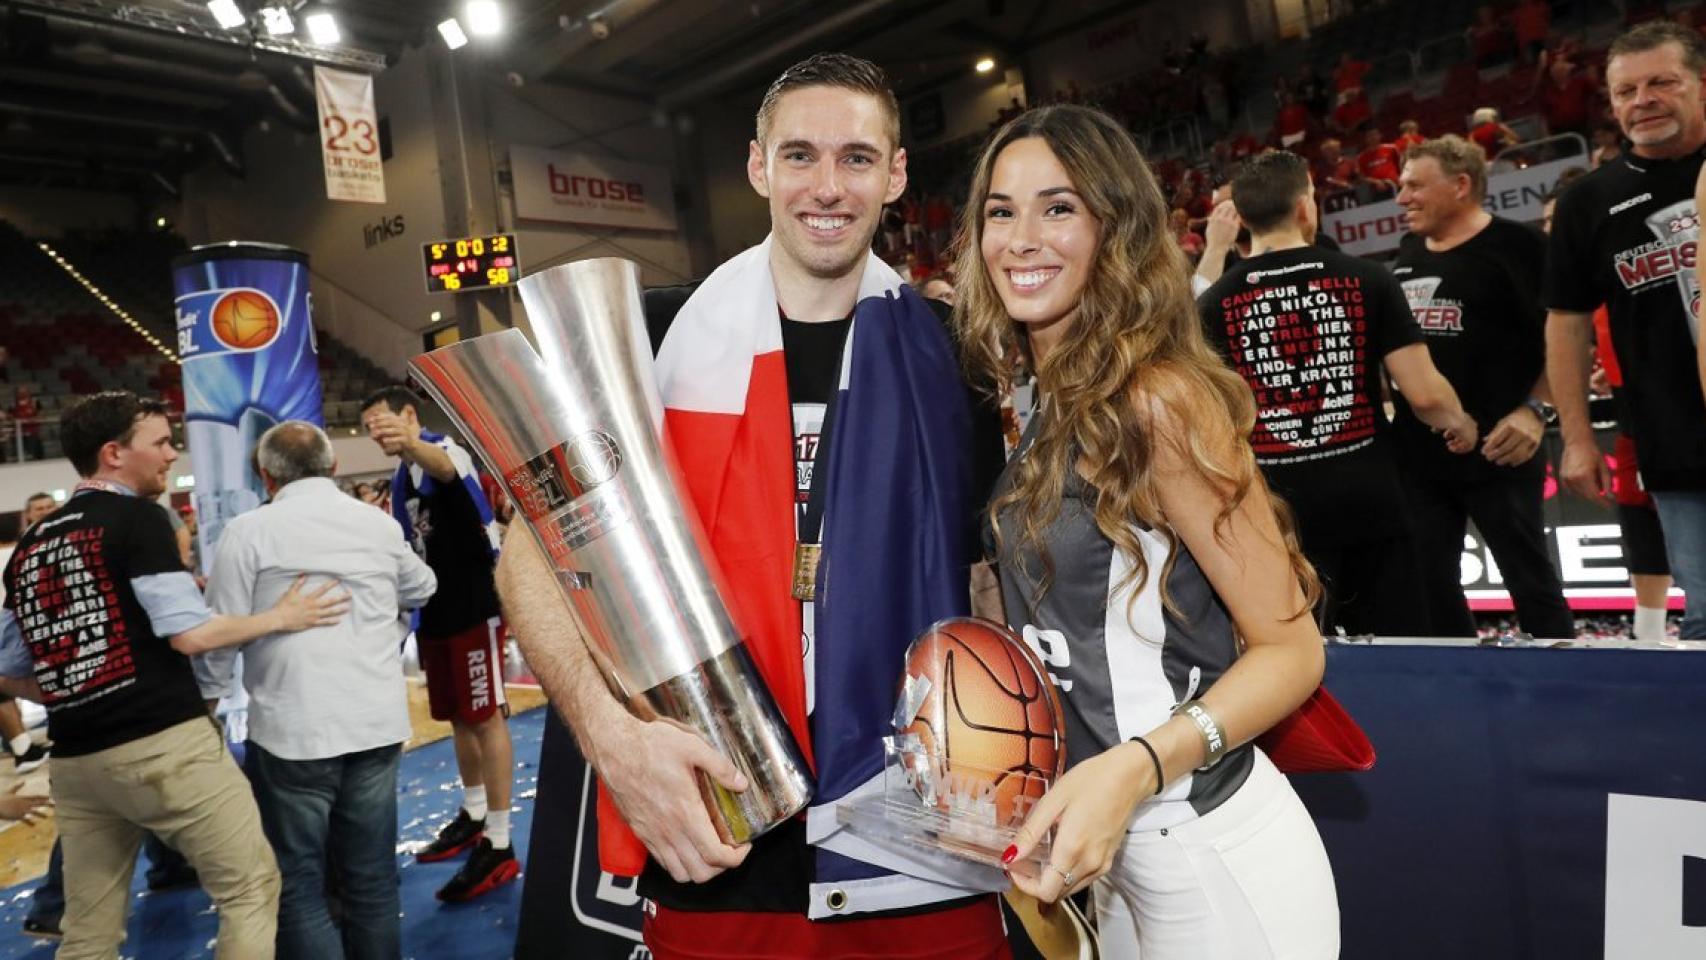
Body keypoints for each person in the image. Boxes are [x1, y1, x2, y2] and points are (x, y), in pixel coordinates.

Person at [494, 52, 1010, 959]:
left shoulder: (955, 355)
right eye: (800, 154)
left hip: (924, 844)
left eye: (857, 158)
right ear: (757, 166)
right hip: (720, 832)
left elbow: (984, 580)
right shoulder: (653, 336)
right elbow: (528, 557)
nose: (827, 186)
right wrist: (612, 742)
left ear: (895, 175)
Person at [959, 103, 1339, 958]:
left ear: (1115, 228)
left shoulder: (1158, 400)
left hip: (1212, 851)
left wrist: (1137, 765)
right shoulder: (1040, 400)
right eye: (1000, 210)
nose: (1022, 237)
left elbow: (1291, 651)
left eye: (1058, 208)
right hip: (1116, 860)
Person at [0, 390, 347, 959]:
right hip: (163, 746)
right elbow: (189, 634)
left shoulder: (30, 547)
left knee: (87, 930)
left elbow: (12, 670)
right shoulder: (139, 519)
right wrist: (283, 616)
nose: (171, 455)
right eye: (160, 442)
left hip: (77, 761)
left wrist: (76, 684)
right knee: (250, 888)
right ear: (114, 453)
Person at [1202, 151, 1477, 637]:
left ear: (1241, 219)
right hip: (1370, 500)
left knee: (1300, 664)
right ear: (1306, 207)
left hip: (1274, 514)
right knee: (1399, 648)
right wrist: (1460, 422)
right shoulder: (1367, 278)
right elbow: (1425, 395)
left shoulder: (1214, 302)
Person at [196, 421, 437, 959]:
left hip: (293, 730)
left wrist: (207, 706)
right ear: (332, 468)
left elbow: (219, 633)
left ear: (265, 476)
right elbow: (423, 586)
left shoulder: (249, 532)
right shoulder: (375, 526)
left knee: (299, 886)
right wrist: (384, 617)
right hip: (373, 723)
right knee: (372, 881)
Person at [1547, 22, 1706, 639]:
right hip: (1672, 444)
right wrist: (1579, 438)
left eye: (1662, 82)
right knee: (1703, 623)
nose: (1642, 100)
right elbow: (1565, 327)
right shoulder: (1590, 200)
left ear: (1699, 85)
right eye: (1625, 90)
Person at [1392, 137, 1574, 639]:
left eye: (1414, 186)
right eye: (1401, 186)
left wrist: (1536, 410)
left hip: (1502, 451)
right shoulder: (1407, 255)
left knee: (1530, 579)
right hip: (1421, 459)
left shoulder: (1521, 248)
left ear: (1461, 185)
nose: (1402, 198)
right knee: (1431, 582)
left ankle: (1570, 693)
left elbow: (1567, 341)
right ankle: (1460, 684)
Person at [359, 385, 518, 900]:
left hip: (474, 608)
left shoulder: (442, 450)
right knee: (456, 715)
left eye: (383, 423)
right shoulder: (403, 475)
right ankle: (473, 813)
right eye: (369, 429)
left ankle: (499, 841)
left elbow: (446, 469)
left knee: (486, 715)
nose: (376, 435)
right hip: (437, 613)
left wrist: (407, 440)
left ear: (409, 414)